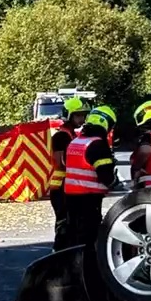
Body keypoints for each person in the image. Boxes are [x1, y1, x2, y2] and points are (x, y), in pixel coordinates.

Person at [63, 109, 116, 247]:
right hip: (89, 198)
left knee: (73, 233)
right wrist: (115, 183)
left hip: (70, 196)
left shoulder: (76, 141)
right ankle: (87, 266)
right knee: (89, 237)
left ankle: (72, 265)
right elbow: (105, 175)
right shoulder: (98, 144)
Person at [50, 97, 88, 251]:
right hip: (60, 186)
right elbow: (60, 162)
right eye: (78, 115)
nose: (82, 119)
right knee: (63, 223)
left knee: (72, 222)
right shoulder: (61, 136)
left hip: (69, 185)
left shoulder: (73, 135)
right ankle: (57, 252)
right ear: (69, 115)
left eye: (83, 115)